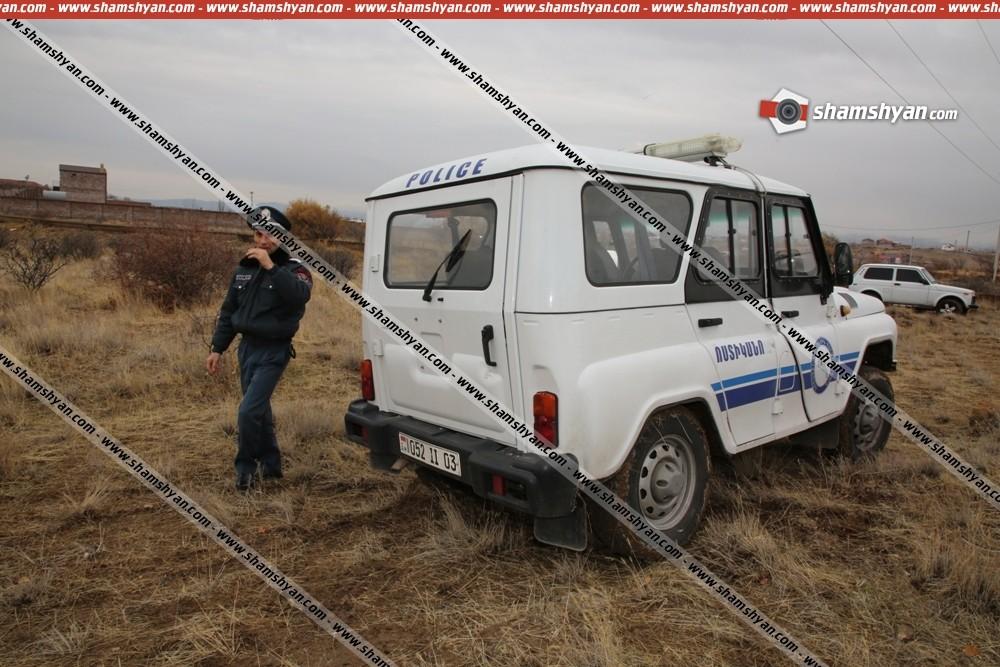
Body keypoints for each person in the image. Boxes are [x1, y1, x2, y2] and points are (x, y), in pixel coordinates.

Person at [206, 206, 312, 490]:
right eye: (258, 234)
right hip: (247, 349)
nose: (263, 240)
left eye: (271, 234)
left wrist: (270, 267)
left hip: (274, 351)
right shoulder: (244, 268)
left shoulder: (295, 269)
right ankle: (272, 465)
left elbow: (299, 296)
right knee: (259, 410)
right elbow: (229, 311)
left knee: (248, 412)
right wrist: (217, 348)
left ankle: (245, 469)